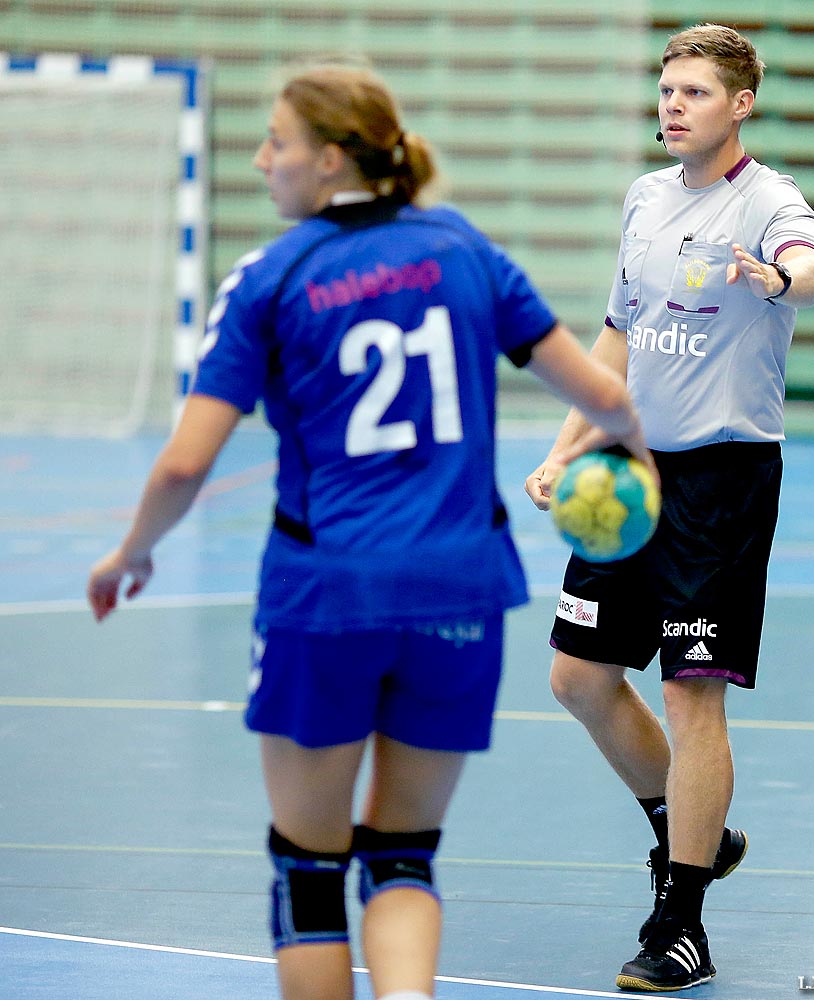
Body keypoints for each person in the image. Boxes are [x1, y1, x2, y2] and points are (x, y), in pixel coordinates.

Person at [87, 64, 653, 1000]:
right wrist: (633, 462)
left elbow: (185, 464)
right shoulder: (465, 248)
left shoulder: (271, 278)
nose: (261, 158)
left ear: (332, 159)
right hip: (461, 592)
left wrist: (131, 552)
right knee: (403, 857)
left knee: (308, 877)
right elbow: (604, 395)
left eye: (277, 141)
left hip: (327, 594)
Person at [525, 24, 814, 992]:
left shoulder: (769, 201)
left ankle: (683, 919)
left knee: (690, 692)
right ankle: (688, 825)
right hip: (628, 471)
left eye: (695, 92)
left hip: (721, 482)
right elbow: (619, 336)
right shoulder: (645, 199)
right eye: (667, 89)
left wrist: (780, 278)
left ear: (740, 104)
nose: (673, 105)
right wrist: (564, 447)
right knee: (578, 678)